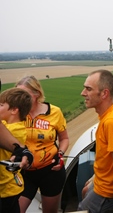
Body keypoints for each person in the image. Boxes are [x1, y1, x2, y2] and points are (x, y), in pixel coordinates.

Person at [78, 70, 113, 213]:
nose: (83, 93)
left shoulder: (112, 122)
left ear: (104, 94)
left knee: (81, 210)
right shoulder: (111, 112)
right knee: (85, 191)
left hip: (107, 194)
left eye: (89, 89)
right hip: (101, 184)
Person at [15, 75, 69, 213]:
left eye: (24, 94)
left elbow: (64, 139)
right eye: (17, 94)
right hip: (24, 171)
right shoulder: (15, 113)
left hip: (51, 170)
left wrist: (61, 154)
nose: (20, 98)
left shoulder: (54, 112)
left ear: (36, 94)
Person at [0, 87, 32, 213]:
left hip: (6, 188)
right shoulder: (9, 125)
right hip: (9, 186)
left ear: (14, 110)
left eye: (1, 105)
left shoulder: (15, 130)